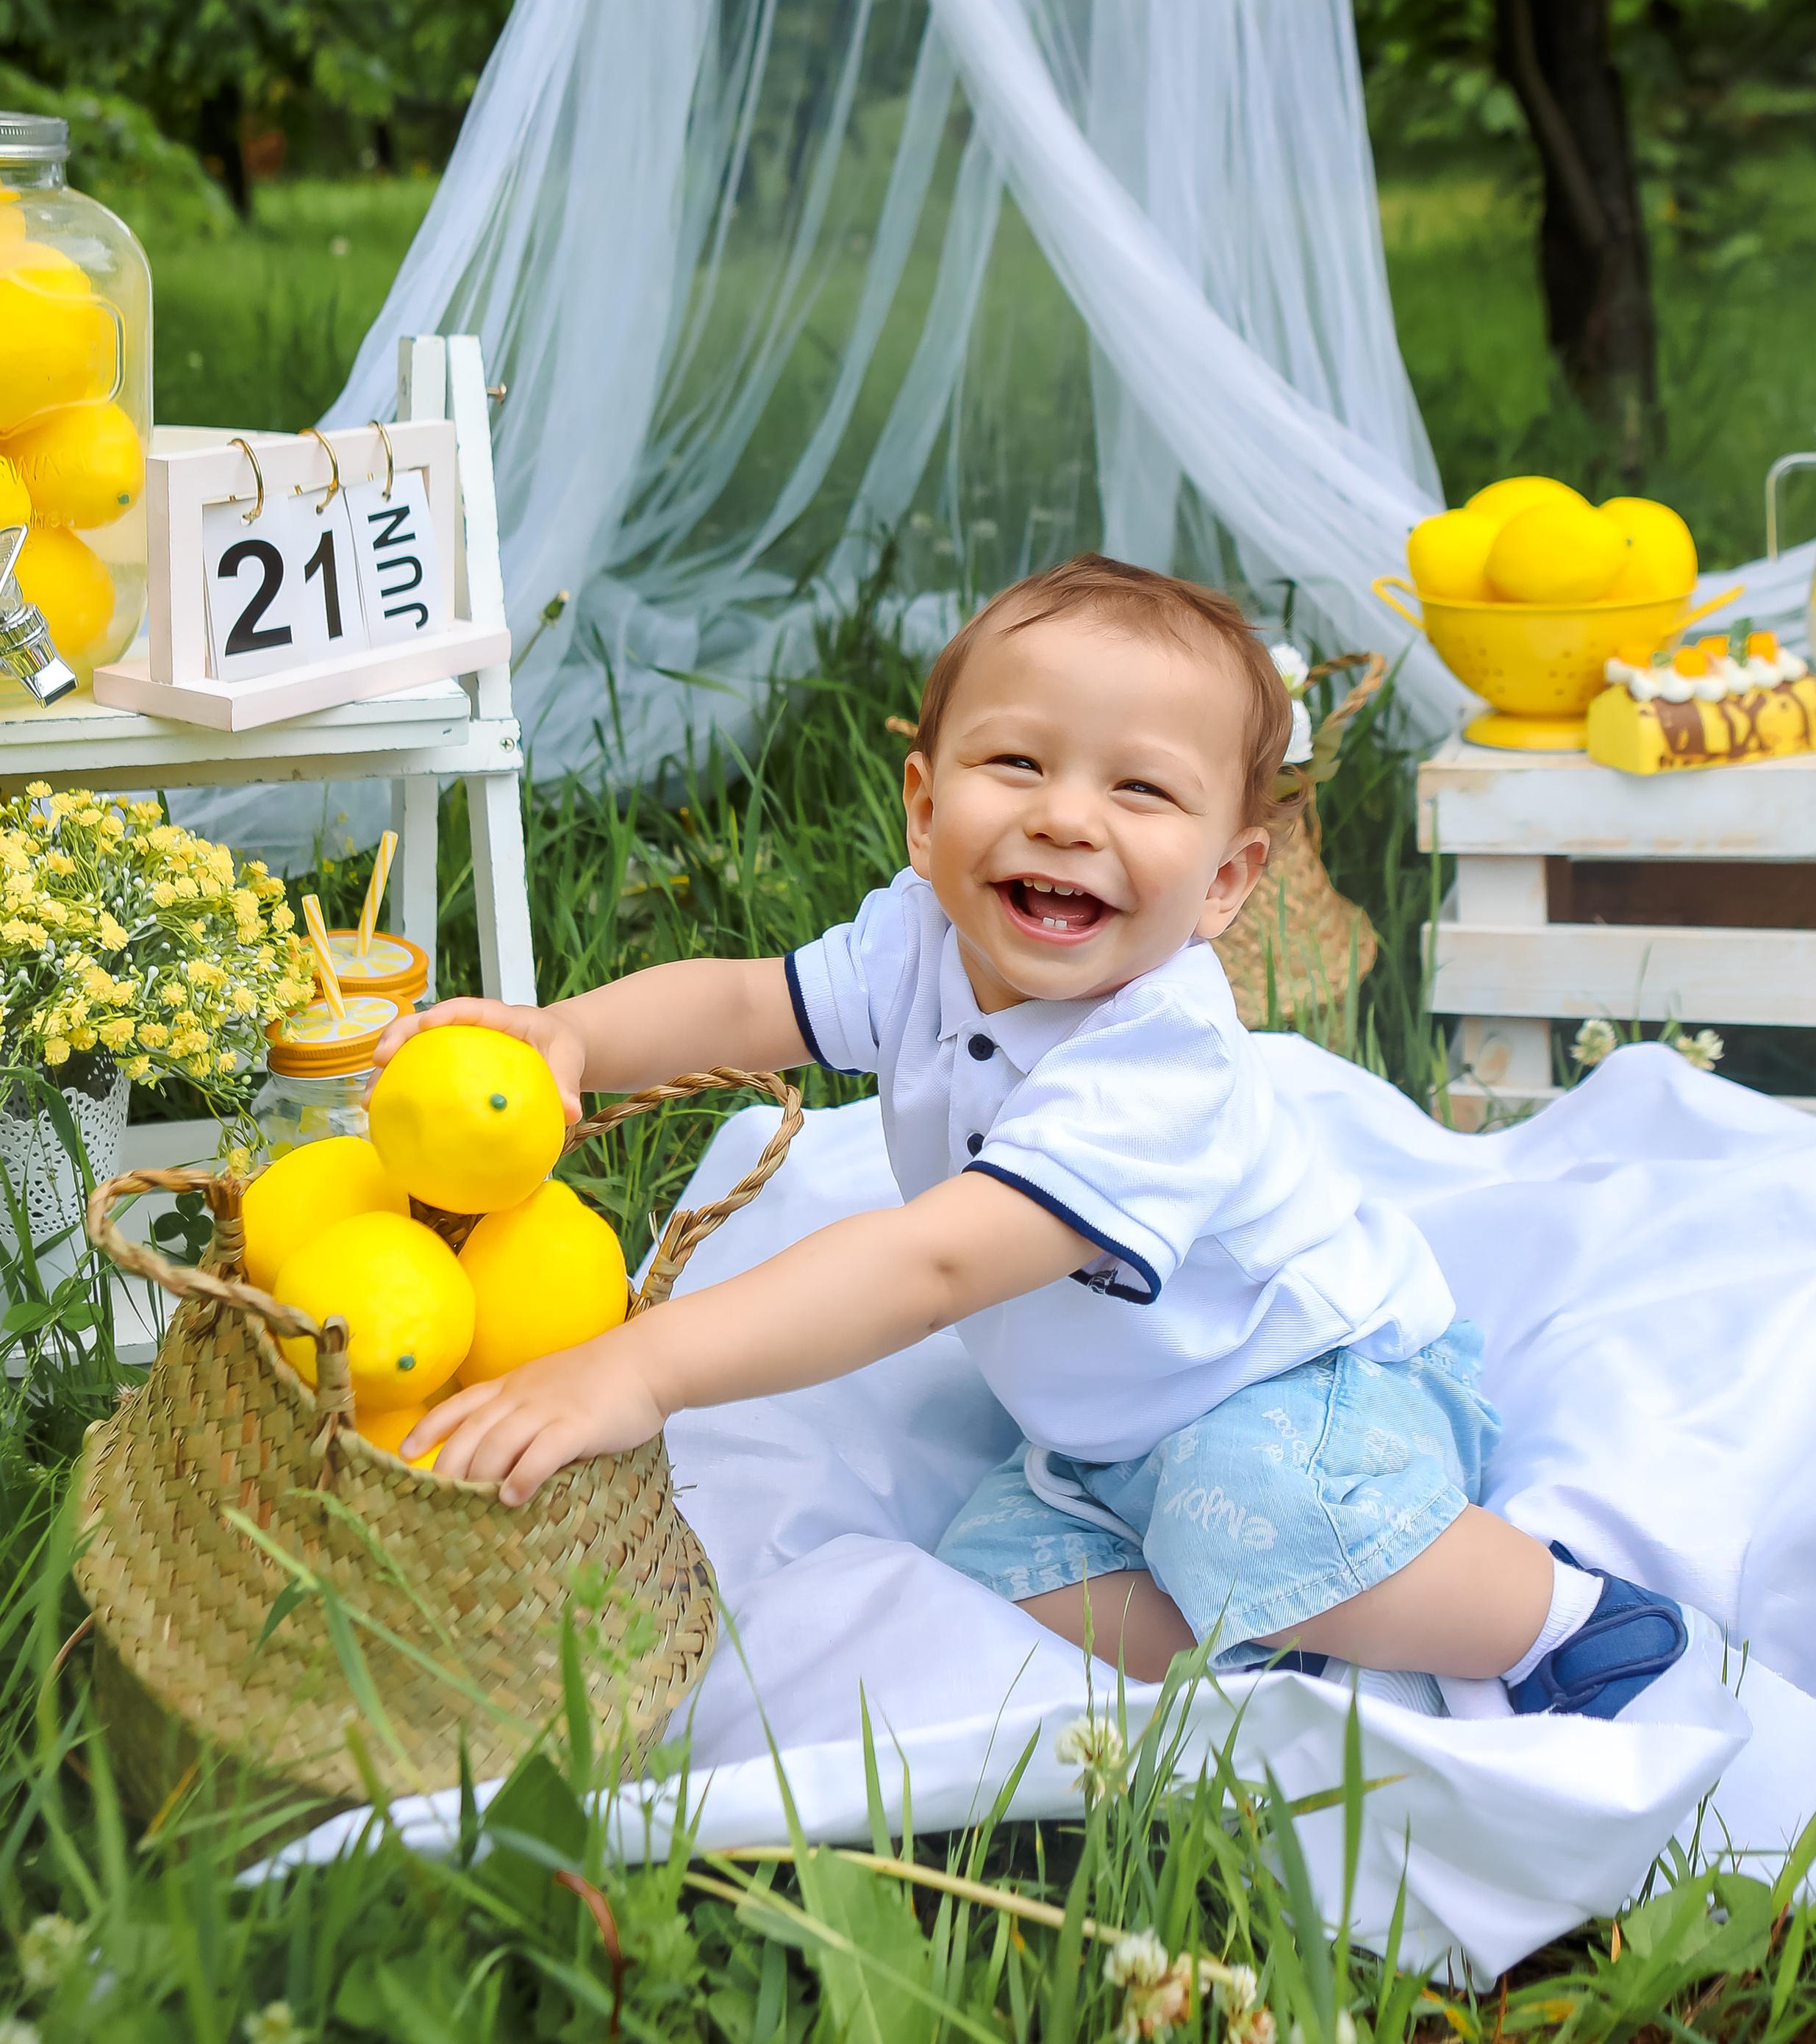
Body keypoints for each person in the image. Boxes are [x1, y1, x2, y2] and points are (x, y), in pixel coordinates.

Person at [382, 556, 1688, 1716]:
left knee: (1274, 1510)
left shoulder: (1157, 1062)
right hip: (1105, 1440)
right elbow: (744, 1000)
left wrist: (646, 1368)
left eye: (1139, 788)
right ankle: (1292, 1640)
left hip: (1308, 1389)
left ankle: (1558, 1619)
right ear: (925, 806)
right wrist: (571, 1040)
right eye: (1018, 763)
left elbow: (933, 1265)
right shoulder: (919, 943)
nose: (1068, 815)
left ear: (1226, 883)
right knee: (992, 1596)